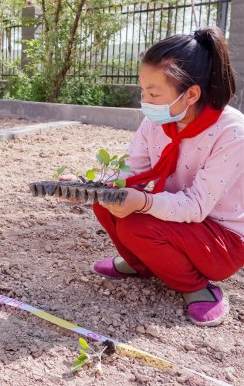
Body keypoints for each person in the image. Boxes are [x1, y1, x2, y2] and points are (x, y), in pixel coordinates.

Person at [87, 27, 244, 326]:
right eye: (142, 91)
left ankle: (197, 287)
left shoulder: (231, 132)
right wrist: (90, 185)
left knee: (137, 226)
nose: (144, 101)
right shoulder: (157, 122)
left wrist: (143, 202)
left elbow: (196, 207)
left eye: (153, 93)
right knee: (104, 201)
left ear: (192, 94)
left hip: (221, 237)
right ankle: (141, 264)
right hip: (180, 219)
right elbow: (130, 170)